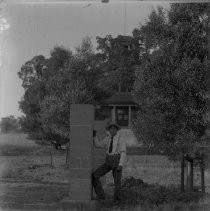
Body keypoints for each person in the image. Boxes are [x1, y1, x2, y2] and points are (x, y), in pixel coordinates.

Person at [92, 121, 126, 202]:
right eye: (111, 128)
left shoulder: (121, 139)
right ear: (109, 129)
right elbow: (98, 145)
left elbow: (123, 152)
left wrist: (121, 164)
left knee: (117, 182)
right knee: (95, 175)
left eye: (114, 128)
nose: (112, 130)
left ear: (116, 130)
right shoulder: (107, 138)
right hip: (108, 161)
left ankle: (117, 201)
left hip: (117, 161)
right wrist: (94, 136)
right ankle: (101, 195)